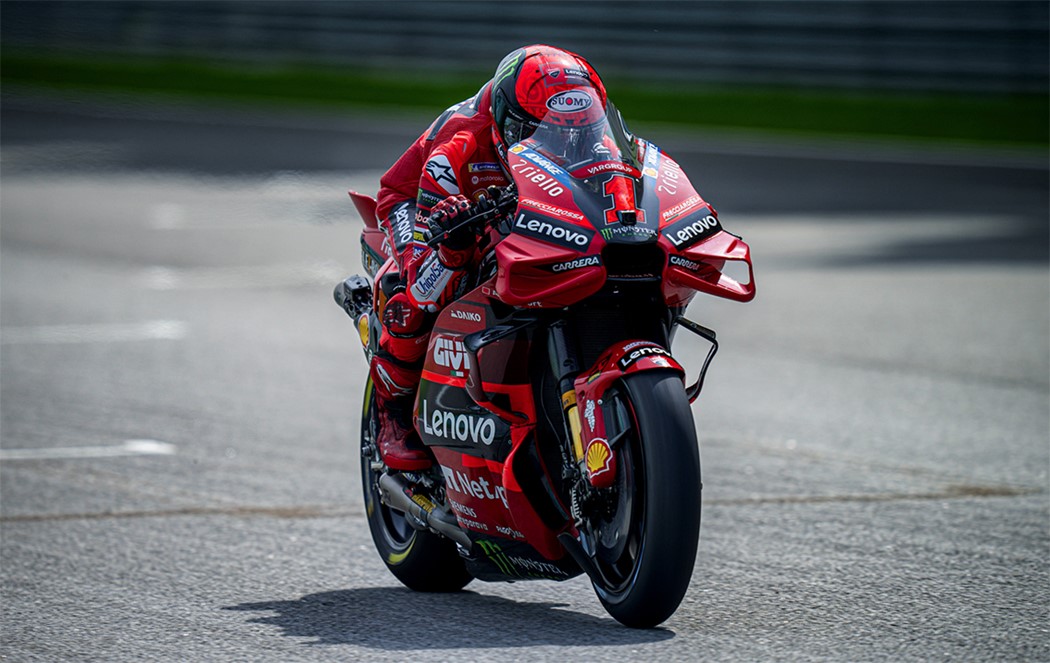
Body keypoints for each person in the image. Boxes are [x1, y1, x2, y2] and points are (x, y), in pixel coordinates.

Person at [370, 44, 609, 470]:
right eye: (543, 133)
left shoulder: (589, 129)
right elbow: (432, 248)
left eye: (576, 131)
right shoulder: (460, 144)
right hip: (421, 202)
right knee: (417, 297)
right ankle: (393, 414)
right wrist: (452, 246)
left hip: (520, 197)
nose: (564, 143)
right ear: (506, 122)